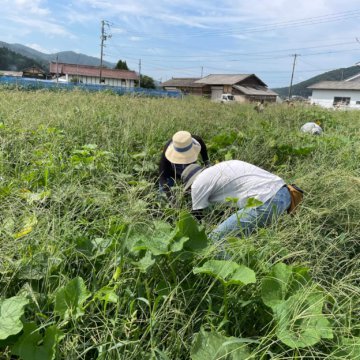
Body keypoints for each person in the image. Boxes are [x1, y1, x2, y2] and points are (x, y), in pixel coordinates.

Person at [181, 160, 293, 241]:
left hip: (265, 201)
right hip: (285, 194)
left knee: (215, 239)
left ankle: (228, 272)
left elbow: (196, 217)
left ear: (190, 184)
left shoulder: (197, 184)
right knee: (252, 239)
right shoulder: (221, 167)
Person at [159, 130, 210, 198]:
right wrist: (170, 197)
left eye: (187, 156)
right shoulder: (166, 153)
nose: (184, 160)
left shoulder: (195, 141)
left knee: (193, 191)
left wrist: (207, 162)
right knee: (163, 196)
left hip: (189, 169)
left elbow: (203, 148)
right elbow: (162, 177)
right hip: (170, 172)